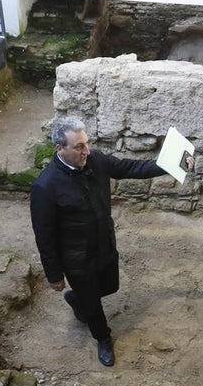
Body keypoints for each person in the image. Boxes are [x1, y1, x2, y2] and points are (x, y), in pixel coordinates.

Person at [29, 116, 192, 366]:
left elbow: (130, 168)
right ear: (59, 149)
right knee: (93, 303)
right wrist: (54, 274)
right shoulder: (46, 186)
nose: (87, 150)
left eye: (86, 143)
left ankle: (78, 299)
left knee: (109, 287)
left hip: (104, 243)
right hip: (76, 258)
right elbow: (45, 235)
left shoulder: (96, 160)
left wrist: (173, 164)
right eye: (79, 147)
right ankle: (103, 337)